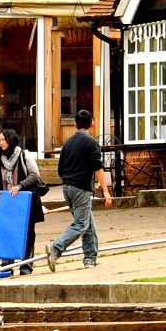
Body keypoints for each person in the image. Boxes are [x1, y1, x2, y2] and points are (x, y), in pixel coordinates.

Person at [46, 108, 113, 270]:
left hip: (67, 187)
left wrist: (68, 181)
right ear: (92, 123)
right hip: (81, 188)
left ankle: (90, 258)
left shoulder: (68, 143)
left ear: (75, 125)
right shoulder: (91, 143)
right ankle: (55, 248)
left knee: (88, 222)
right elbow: (98, 167)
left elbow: (60, 168)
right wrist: (105, 190)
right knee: (81, 224)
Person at [0, 127, 46, 274]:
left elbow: (35, 175)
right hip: (8, 203)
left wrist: (20, 186)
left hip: (25, 201)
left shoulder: (24, 155)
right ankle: (6, 265)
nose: (1, 143)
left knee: (27, 232)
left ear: (11, 139)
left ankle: (26, 265)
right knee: (7, 232)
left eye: (4, 139)